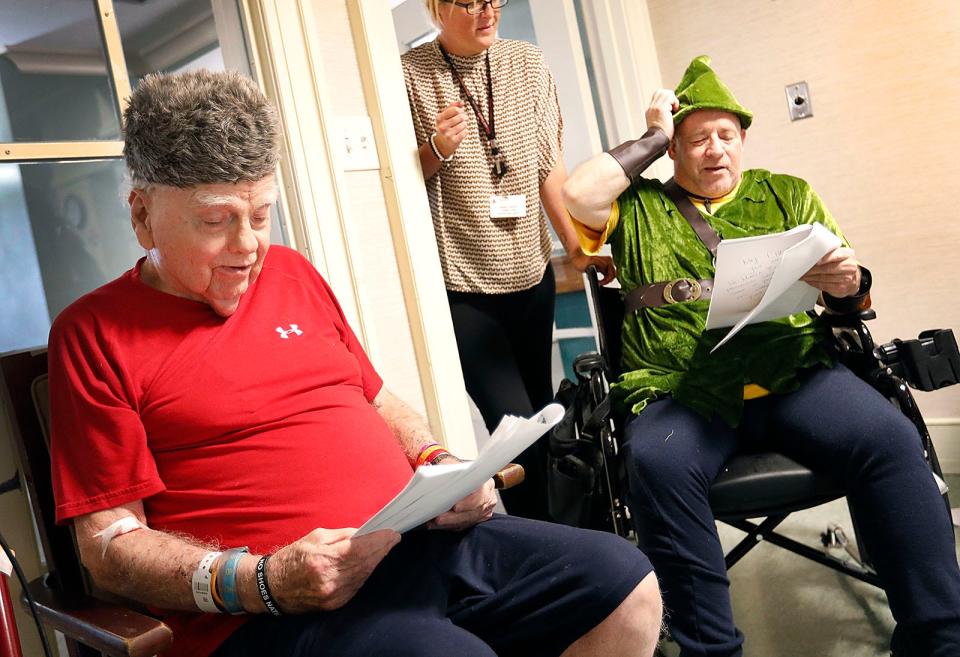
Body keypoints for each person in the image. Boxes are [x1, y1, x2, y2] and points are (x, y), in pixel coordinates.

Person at [47, 70, 661, 657]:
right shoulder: (94, 333)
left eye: (261, 215)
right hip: (273, 611)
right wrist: (259, 580)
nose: (247, 246)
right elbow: (108, 550)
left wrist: (439, 465)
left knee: (623, 581)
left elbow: (373, 398)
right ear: (141, 216)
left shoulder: (291, 273)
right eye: (214, 221)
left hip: (416, 543)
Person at [562, 55, 960, 657]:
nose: (714, 150)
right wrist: (650, 133)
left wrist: (849, 284)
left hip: (791, 370)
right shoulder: (637, 207)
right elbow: (576, 191)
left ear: (744, 139)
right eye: (696, 139)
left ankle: (940, 637)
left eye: (726, 136)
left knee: (888, 437)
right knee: (658, 462)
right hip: (680, 386)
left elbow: (849, 296)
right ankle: (712, 650)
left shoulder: (787, 193)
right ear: (674, 147)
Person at [400, 0, 614, 521]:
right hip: (463, 284)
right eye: (471, 3)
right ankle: (549, 545)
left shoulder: (527, 64)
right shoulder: (409, 76)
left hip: (529, 272)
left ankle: (566, 543)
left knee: (544, 415)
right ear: (435, 6)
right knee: (513, 427)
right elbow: (394, 187)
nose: (488, 12)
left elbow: (549, 167)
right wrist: (436, 150)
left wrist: (574, 245)